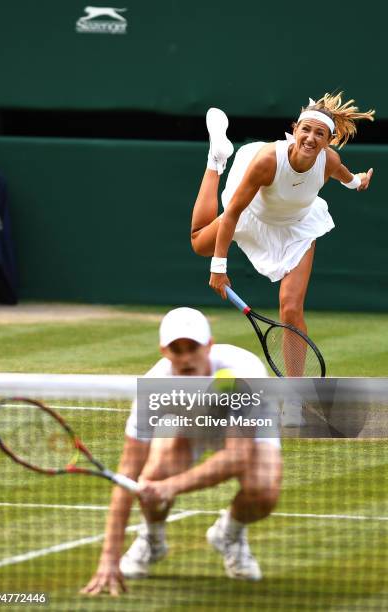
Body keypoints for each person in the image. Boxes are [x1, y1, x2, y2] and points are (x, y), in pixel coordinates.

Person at [190, 92, 375, 424]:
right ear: (295, 129)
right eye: (306, 130)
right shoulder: (266, 160)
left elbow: (350, 180)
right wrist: (219, 266)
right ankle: (216, 160)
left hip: (297, 228)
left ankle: (293, 399)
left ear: (328, 140)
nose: (311, 138)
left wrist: (360, 181)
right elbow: (231, 213)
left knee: (291, 308)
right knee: (200, 243)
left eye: (320, 134)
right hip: (250, 214)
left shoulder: (329, 161)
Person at [81, 307, 282, 597]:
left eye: (193, 348)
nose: (186, 357)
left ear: (209, 346)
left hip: (247, 427)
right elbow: (128, 473)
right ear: (164, 350)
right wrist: (108, 560)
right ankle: (152, 539)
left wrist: (169, 487)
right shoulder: (154, 387)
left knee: (263, 489)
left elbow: (238, 457)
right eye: (177, 349)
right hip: (189, 423)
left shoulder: (239, 374)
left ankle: (230, 534)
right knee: (152, 474)